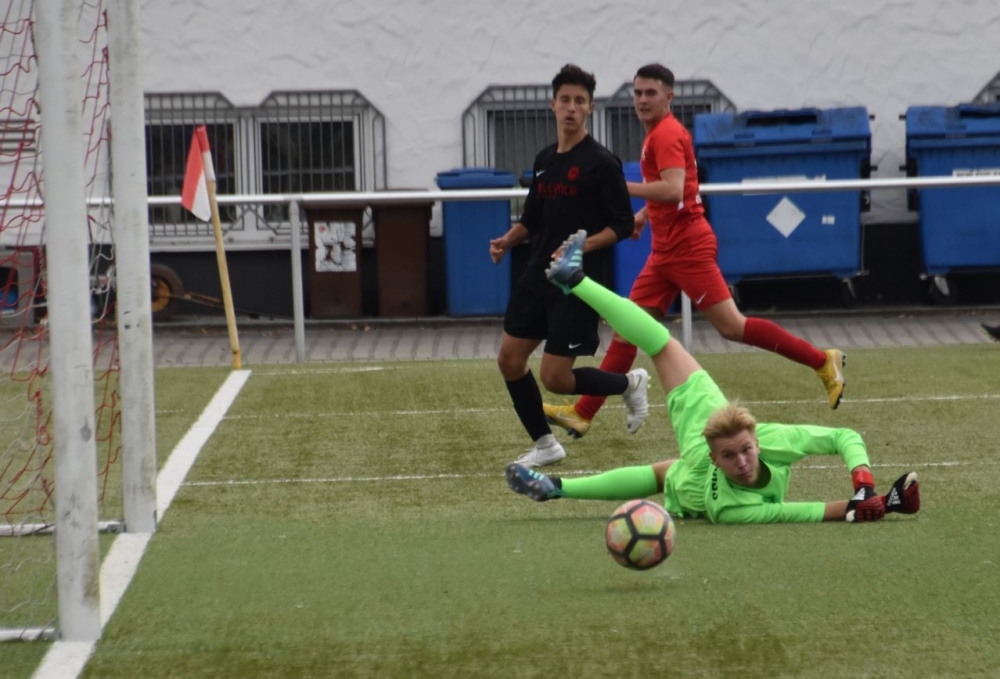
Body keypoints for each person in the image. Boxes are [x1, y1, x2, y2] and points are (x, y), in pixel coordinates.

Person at [507, 231, 921, 524]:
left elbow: (806, 505)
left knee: (664, 473)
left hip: (691, 489)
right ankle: (574, 280)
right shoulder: (754, 444)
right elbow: (839, 452)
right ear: (715, 455)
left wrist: (864, 497)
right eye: (731, 455)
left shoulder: (730, 509)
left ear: (755, 441)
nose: (742, 462)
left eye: (745, 451)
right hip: (702, 430)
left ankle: (555, 487)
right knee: (661, 345)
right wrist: (868, 496)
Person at [543, 63, 846, 442]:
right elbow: (679, 192)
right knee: (627, 331)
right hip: (666, 251)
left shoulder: (666, 133)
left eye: (651, 93)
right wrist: (643, 216)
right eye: (637, 93)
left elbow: (672, 188)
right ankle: (582, 413)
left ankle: (822, 360)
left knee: (732, 327)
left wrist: (621, 187)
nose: (642, 100)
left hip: (687, 248)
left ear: (668, 97)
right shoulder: (658, 134)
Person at [489, 64, 647, 468]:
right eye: (565, 100)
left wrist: (581, 246)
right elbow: (533, 218)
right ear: (553, 105)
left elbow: (623, 225)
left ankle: (629, 383)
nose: (571, 107)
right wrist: (508, 239)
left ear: (590, 108)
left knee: (555, 378)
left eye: (580, 101)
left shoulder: (602, 162)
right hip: (537, 275)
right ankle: (546, 445)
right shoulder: (544, 159)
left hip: (577, 282)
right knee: (509, 360)